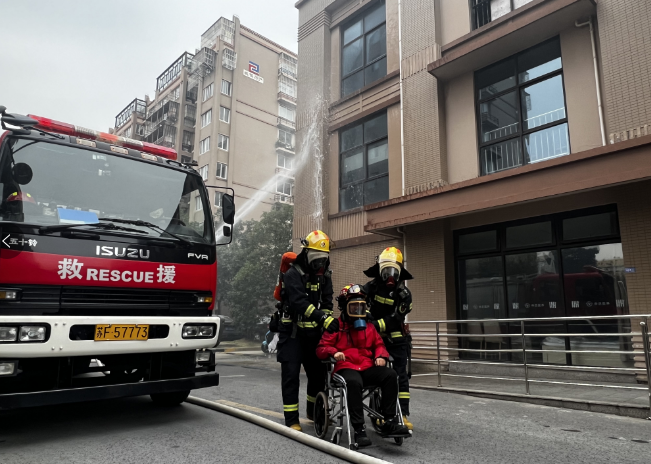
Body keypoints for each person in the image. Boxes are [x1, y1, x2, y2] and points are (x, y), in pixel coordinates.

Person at [317, 284, 410, 447]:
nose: (358, 310)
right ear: (345, 307)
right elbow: (321, 348)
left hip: (366, 367)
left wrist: (381, 355)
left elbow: (379, 345)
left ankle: (389, 421)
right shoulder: (336, 326)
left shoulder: (369, 326)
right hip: (345, 367)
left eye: (362, 306)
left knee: (390, 375)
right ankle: (359, 430)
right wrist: (333, 352)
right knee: (353, 382)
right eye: (354, 306)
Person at [277, 230, 339, 431]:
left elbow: (327, 301)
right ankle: (291, 420)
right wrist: (322, 318)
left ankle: (314, 413)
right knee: (291, 375)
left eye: (323, 260)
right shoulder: (292, 274)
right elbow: (298, 302)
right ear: (307, 254)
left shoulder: (325, 275)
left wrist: (327, 321)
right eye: (317, 260)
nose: (320, 264)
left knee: (318, 375)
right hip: (292, 333)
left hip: (314, 335)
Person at [362, 247, 414, 431]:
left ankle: (403, 415)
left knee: (401, 377)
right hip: (373, 341)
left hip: (396, 341)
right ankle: (378, 412)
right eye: (386, 272)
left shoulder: (404, 294)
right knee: (377, 376)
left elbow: (396, 319)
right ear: (380, 270)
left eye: (394, 272)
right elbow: (359, 304)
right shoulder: (370, 288)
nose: (390, 277)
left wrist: (375, 325)